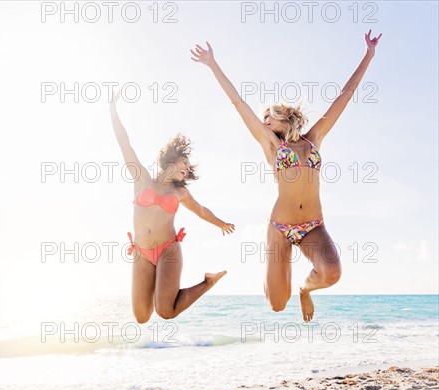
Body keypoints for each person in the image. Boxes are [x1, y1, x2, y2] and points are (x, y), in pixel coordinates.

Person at [191, 30, 382, 322]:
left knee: (332, 273)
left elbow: (345, 96)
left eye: (269, 116)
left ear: (284, 116)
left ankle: (305, 290)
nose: (264, 121)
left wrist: (368, 55)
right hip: (280, 227)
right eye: (263, 119)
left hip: (313, 227)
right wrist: (213, 65)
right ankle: (275, 266)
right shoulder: (271, 145)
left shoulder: (313, 138)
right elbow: (238, 103)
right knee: (278, 305)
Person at [110, 91, 235, 323]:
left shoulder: (180, 192)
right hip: (141, 252)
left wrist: (221, 224)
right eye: (184, 163)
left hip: (168, 249)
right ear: (171, 159)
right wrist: (113, 110)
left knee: (166, 311)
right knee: (141, 317)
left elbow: (200, 210)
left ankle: (208, 282)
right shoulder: (142, 179)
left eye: (189, 169)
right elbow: (124, 144)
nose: (186, 169)